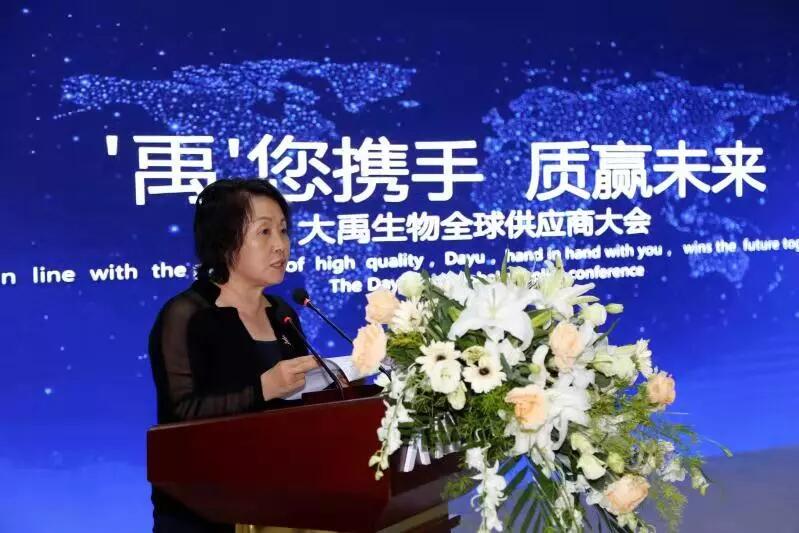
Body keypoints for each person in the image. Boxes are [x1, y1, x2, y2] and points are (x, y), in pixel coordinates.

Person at [147, 178, 319, 533]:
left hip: (282, 506)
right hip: (204, 513)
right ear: (224, 240)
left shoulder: (282, 312)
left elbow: (297, 410)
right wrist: (263, 388)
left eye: (283, 231)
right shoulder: (187, 315)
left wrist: (332, 387)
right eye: (264, 232)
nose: (280, 245)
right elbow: (180, 416)